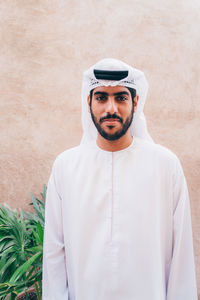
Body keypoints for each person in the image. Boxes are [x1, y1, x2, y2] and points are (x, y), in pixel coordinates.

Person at [42, 58, 198, 300]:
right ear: (89, 102)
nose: (111, 108)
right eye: (101, 97)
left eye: (121, 98)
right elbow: (54, 255)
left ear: (135, 102)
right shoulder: (66, 167)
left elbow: (181, 260)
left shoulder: (166, 166)